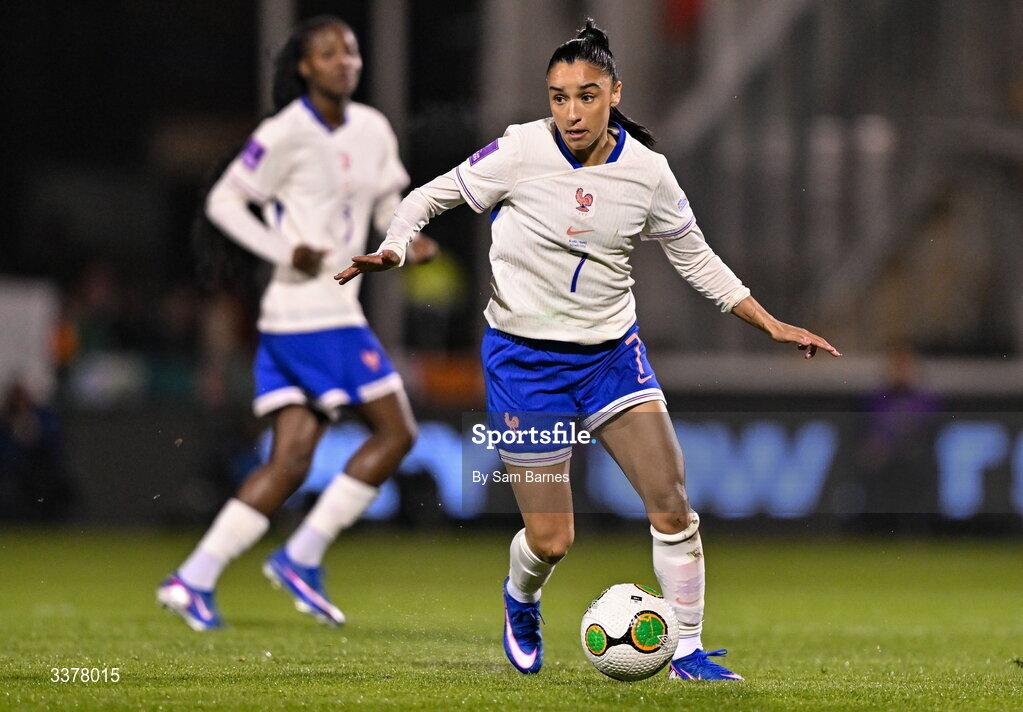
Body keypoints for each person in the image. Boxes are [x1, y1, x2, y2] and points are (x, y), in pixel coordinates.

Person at [337, 20, 839, 680]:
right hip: (524, 363)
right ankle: (521, 597)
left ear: (614, 94)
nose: (570, 111)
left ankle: (686, 650)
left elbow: (695, 258)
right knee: (551, 540)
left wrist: (769, 323)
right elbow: (429, 197)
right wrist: (397, 248)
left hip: (609, 358)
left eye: (585, 95)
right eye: (557, 97)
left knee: (672, 505)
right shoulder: (519, 151)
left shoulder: (648, 174)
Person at [158, 15, 435, 631]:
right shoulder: (284, 132)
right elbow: (224, 200)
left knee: (290, 463)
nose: (345, 60)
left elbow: (389, 200)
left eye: (352, 50)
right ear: (304, 67)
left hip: (311, 316)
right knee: (397, 433)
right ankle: (301, 556)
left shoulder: (372, 129)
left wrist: (406, 240)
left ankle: (193, 578)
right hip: (315, 313)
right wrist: (284, 250)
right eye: (329, 52)